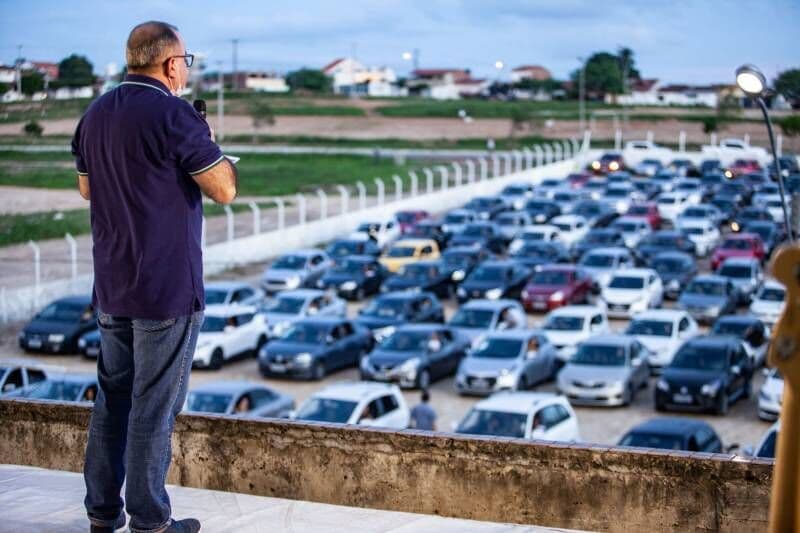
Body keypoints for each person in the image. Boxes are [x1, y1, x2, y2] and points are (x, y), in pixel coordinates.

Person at [72, 21, 237, 533]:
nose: (185, 70)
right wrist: (210, 144)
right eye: (185, 62)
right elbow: (224, 189)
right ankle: (150, 522)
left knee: (113, 399)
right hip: (166, 288)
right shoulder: (176, 115)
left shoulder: (94, 114)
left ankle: (103, 514)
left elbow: (86, 190)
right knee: (154, 408)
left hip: (113, 283)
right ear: (170, 65)